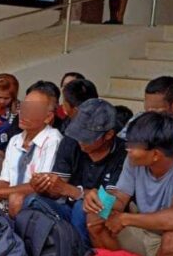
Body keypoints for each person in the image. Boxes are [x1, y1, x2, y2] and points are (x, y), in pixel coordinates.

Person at [87, 112, 173, 256]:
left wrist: (126, 219)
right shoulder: (134, 161)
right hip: (139, 234)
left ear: (155, 155)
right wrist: (96, 199)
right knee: (95, 216)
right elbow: (119, 199)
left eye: (134, 145)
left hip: (164, 244)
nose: (128, 149)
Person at [28, 99, 127, 246]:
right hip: (66, 209)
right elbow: (58, 190)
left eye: (87, 137)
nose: (81, 140)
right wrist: (43, 186)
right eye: (79, 133)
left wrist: (75, 192)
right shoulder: (71, 142)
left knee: (82, 209)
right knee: (31, 201)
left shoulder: (123, 154)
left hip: (99, 218)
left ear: (109, 135)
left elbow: (110, 203)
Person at [0, 83, 63, 217]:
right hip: (9, 200)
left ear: (48, 117)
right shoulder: (15, 140)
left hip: (39, 204)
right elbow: (4, 181)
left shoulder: (53, 139)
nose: (24, 113)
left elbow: (39, 187)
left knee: (16, 199)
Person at [120, 76, 173, 165]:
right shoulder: (139, 119)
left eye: (155, 110)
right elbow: (120, 149)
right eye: (147, 108)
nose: (149, 114)